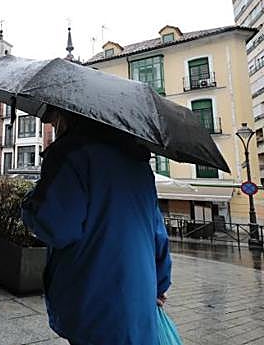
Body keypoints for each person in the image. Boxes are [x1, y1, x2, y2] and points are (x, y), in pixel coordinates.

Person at [22, 108, 172, 345]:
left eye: (53, 118)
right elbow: (158, 234)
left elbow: (57, 228)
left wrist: (31, 202)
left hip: (92, 293)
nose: (51, 124)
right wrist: (159, 284)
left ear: (66, 115)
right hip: (139, 295)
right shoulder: (138, 162)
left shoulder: (70, 153)